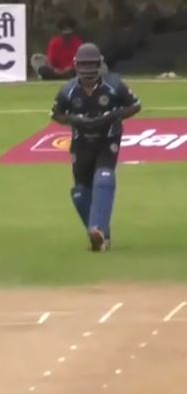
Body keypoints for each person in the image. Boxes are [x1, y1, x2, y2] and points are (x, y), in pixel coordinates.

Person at [50, 42, 142, 252]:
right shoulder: (69, 89)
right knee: (80, 194)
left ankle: (97, 229)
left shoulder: (114, 85)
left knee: (104, 178)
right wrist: (76, 120)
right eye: (84, 64)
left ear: (99, 64)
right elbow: (56, 114)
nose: (87, 69)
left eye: (91, 64)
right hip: (81, 142)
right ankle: (101, 237)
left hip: (107, 139)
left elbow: (135, 105)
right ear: (76, 65)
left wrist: (112, 116)